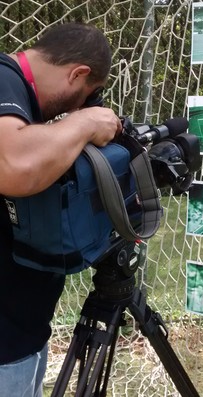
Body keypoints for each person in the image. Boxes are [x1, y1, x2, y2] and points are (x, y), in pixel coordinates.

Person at [0, 22, 122, 397]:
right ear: (78, 74)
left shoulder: (20, 101)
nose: (82, 105)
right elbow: (13, 165)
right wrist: (84, 121)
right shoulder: (3, 79)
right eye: (86, 95)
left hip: (22, 332)